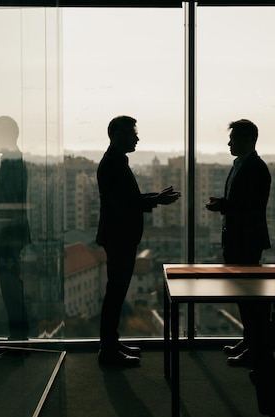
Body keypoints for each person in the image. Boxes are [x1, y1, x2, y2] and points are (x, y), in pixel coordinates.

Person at [205, 119, 275, 417]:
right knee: (243, 294)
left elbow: (251, 206)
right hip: (237, 238)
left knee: (249, 296)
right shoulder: (241, 165)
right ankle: (250, 341)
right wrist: (224, 205)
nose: (229, 143)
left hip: (246, 240)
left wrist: (223, 205)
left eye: (234, 138)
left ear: (249, 139)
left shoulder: (256, 168)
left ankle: (254, 346)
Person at [96, 115, 181, 367]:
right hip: (119, 237)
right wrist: (157, 200)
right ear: (117, 135)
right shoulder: (113, 163)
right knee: (115, 294)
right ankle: (108, 350)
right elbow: (124, 203)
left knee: (116, 293)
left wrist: (156, 196)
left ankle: (111, 343)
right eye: (133, 133)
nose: (137, 137)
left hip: (119, 236)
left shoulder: (116, 161)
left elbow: (127, 198)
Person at [0, 116, 32, 340]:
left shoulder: (13, 163)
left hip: (8, 236)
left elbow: (10, 202)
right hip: (9, 234)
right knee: (11, 289)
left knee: (11, 289)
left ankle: (18, 340)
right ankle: (18, 340)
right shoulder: (12, 161)